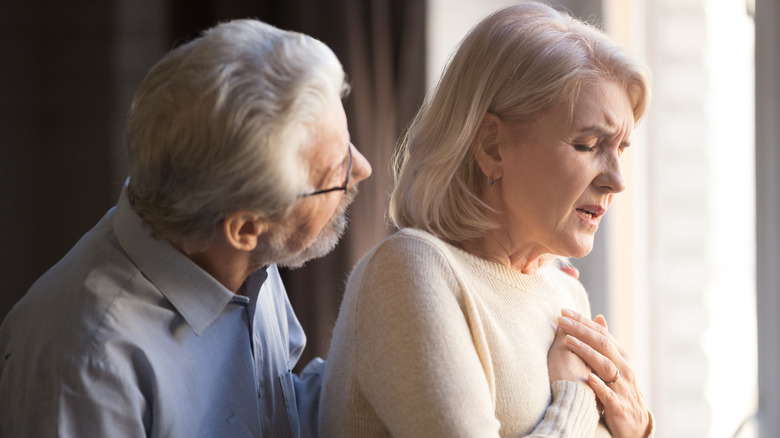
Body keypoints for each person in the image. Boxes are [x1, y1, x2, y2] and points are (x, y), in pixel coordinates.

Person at [0, 19, 371, 437]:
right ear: (245, 227)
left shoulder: (242, 261)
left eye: (348, 143)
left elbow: (272, 419)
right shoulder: (88, 367)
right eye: (336, 171)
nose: (364, 169)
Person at [320, 3, 653, 437]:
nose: (617, 181)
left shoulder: (566, 294)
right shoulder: (410, 271)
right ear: (492, 146)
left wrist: (637, 430)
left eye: (621, 149)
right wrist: (575, 401)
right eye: (588, 144)